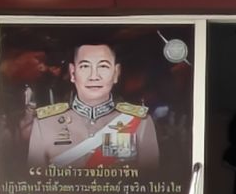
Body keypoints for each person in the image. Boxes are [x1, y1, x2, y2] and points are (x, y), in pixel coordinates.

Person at [28, 41, 160, 170]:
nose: (94, 76)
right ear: (73, 73)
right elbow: (35, 181)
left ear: (116, 73)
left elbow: (150, 181)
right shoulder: (44, 123)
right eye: (85, 66)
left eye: (103, 66)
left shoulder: (140, 122)